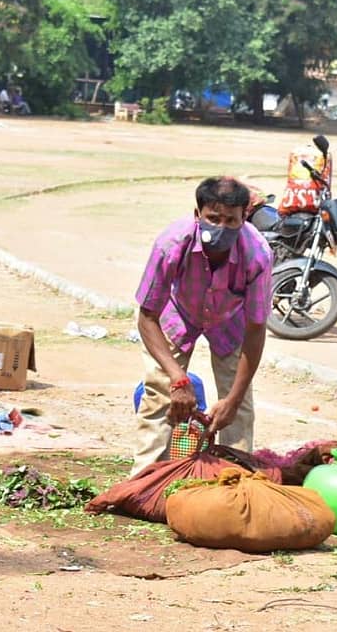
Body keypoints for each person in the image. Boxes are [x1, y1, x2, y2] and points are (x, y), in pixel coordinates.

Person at [132, 176, 274, 476]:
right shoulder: (171, 242)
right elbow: (147, 316)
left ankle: (234, 478)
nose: (220, 227)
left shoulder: (257, 254)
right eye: (213, 218)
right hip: (178, 313)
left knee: (238, 408)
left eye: (230, 220)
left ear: (244, 217)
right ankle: (145, 480)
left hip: (230, 320)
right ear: (198, 215)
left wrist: (232, 400)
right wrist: (178, 379)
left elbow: (256, 329)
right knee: (160, 393)